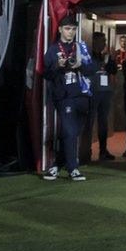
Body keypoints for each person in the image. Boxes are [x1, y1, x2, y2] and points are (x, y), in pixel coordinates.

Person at [42, 15, 97, 181]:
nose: (70, 32)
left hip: (83, 95)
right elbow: (45, 74)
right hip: (65, 97)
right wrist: (57, 66)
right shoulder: (52, 50)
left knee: (71, 134)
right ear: (60, 30)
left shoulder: (81, 47)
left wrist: (80, 65)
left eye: (73, 29)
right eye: (67, 29)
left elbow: (93, 68)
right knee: (70, 132)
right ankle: (73, 169)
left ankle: (56, 166)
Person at [88, 32, 118, 161]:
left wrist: (110, 59)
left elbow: (113, 70)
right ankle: (85, 150)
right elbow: (89, 70)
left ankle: (103, 150)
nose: (104, 44)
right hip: (92, 92)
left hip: (105, 92)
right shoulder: (88, 56)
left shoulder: (105, 56)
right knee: (89, 121)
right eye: (102, 41)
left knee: (103, 122)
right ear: (94, 42)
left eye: (105, 41)